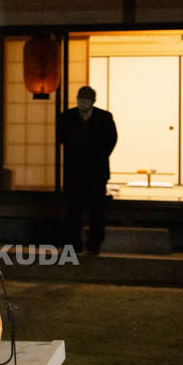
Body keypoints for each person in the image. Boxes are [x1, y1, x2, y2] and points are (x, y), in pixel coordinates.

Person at [58, 86, 117, 255]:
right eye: (80, 100)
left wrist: (98, 155)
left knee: (97, 209)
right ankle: (73, 243)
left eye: (85, 100)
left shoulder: (104, 117)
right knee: (73, 209)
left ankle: (95, 244)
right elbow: (62, 138)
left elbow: (112, 139)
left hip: (96, 170)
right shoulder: (67, 116)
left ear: (93, 102)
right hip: (74, 169)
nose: (82, 103)